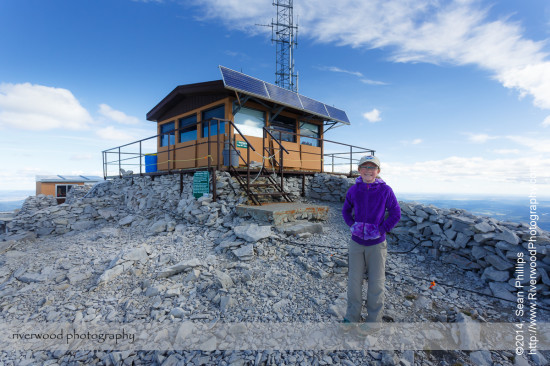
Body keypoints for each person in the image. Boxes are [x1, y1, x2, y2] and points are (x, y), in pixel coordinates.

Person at [341, 155, 401, 333]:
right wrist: (353, 225)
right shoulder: (353, 190)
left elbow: (396, 213)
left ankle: (374, 321)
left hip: (377, 244)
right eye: (364, 167)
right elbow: (345, 210)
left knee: (376, 282)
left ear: (378, 171)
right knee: (353, 281)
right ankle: (352, 317)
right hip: (356, 243)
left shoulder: (386, 190)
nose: (368, 170)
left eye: (372, 167)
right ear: (359, 170)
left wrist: (382, 229)